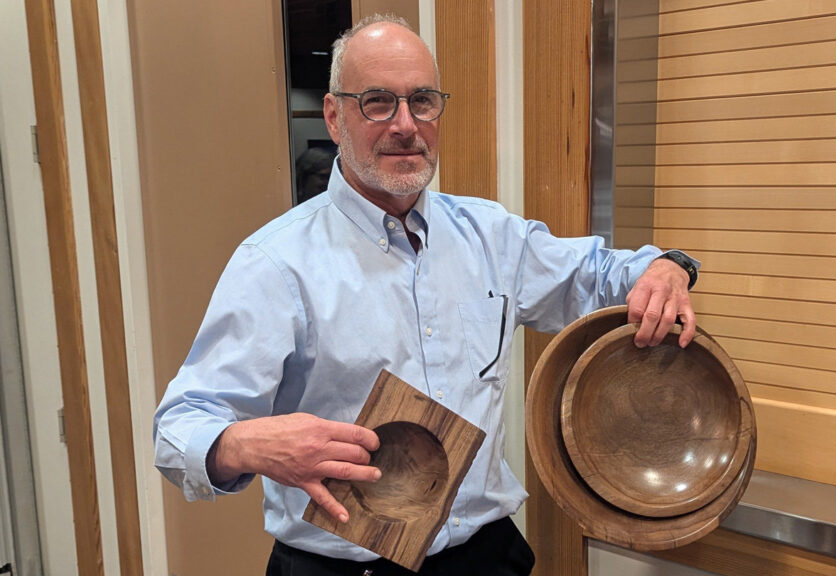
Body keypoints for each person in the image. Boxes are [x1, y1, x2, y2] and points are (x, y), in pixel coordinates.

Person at [154, 13, 700, 576]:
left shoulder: (493, 237)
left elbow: (601, 273)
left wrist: (666, 267)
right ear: (334, 116)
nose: (405, 125)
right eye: (377, 102)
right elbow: (178, 428)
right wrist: (246, 445)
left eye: (422, 100)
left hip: (487, 559)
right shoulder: (276, 263)